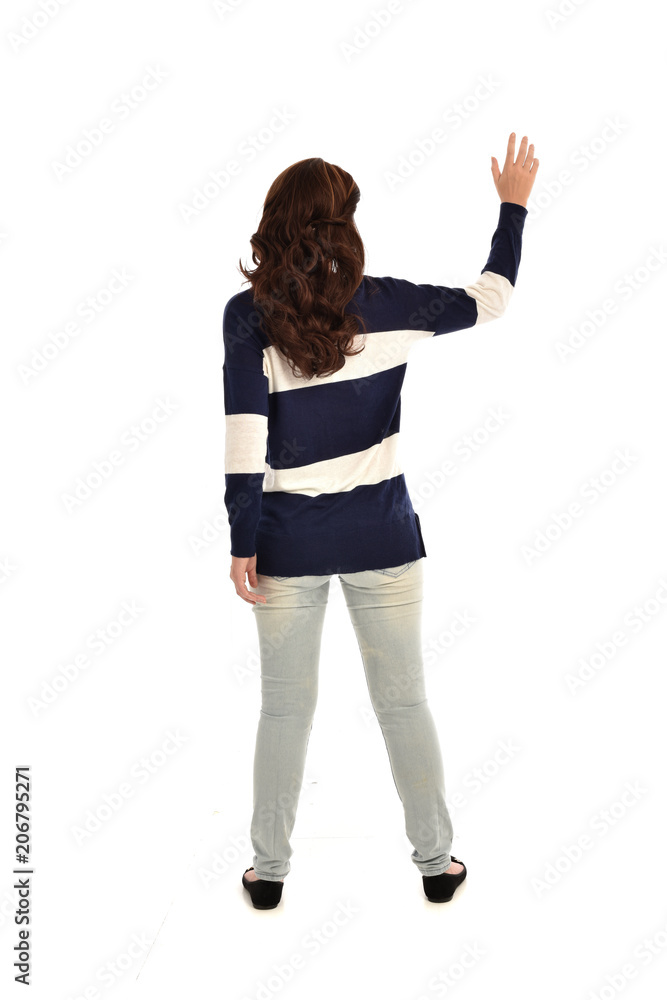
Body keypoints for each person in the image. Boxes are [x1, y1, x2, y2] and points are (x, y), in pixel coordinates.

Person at [223, 134, 539, 909]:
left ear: (275, 224)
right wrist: (512, 207)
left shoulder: (246, 317)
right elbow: (492, 298)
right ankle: (436, 865)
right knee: (404, 701)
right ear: (345, 227)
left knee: (283, 710)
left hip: (285, 543)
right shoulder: (393, 303)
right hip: (383, 537)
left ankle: (268, 876)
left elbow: (243, 437)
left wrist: (241, 543)